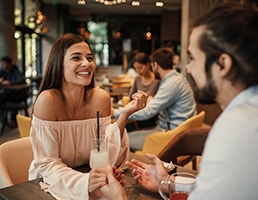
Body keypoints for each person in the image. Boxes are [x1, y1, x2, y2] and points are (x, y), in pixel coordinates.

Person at [124, 3, 258, 200]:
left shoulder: (238, 129)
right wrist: (167, 184)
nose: (189, 69)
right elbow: (216, 189)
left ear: (222, 64)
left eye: (193, 58)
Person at [28, 33, 148, 200]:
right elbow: (47, 165)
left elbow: (107, 154)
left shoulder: (100, 98)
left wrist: (125, 114)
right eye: (76, 58)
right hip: (50, 183)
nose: (87, 63)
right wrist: (85, 182)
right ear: (58, 64)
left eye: (89, 58)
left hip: (89, 177)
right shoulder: (48, 101)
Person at [113, 47, 196, 151]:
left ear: (155, 65)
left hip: (170, 135)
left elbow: (147, 112)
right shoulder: (177, 79)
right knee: (129, 134)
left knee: (122, 138)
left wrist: (114, 112)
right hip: (178, 132)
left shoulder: (172, 84)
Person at [126, 52, 160, 130]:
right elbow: (130, 96)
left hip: (151, 116)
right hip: (137, 112)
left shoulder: (157, 80)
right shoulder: (137, 79)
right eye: (136, 68)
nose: (138, 71)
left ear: (148, 65)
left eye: (140, 68)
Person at [0, 56, 27, 126]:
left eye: (4, 63)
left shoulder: (15, 71)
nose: (2, 65)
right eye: (2, 63)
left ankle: (5, 119)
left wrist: (10, 83)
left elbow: (21, 81)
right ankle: (4, 119)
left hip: (18, 94)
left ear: (9, 64)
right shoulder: (2, 72)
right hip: (8, 93)